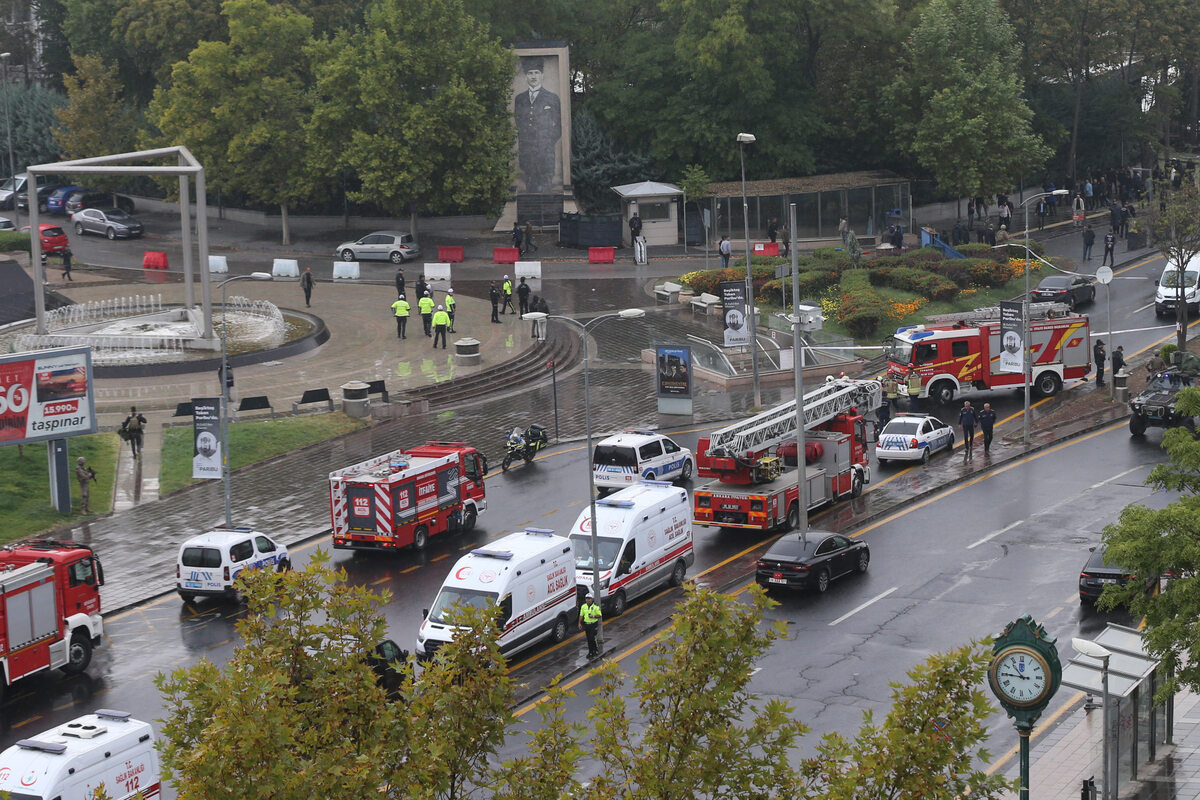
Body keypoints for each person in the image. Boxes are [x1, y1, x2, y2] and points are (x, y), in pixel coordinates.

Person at [514, 56, 562, 193]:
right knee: (529, 190)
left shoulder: (552, 98)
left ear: (542, 75)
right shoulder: (520, 99)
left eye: (536, 73)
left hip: (545, 154)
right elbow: (518, 122)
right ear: (525, 76)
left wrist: (547, 141)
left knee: (546, 190)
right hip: (527, 153)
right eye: (530, 73)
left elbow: (559, 125)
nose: (533, 76)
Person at [578, 591, 602, 659]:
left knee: (592, 638)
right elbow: (581, 615)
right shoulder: (583, 606)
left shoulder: (595, 607)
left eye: (589, 599)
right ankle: (590, 652)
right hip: (587, 624)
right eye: (587, 598)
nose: (588, 600)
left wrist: (593, 616)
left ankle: (595, 650)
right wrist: (579, 623)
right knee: (588, 639)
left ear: (592, 599)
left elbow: (599, 615)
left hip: (593, 624)